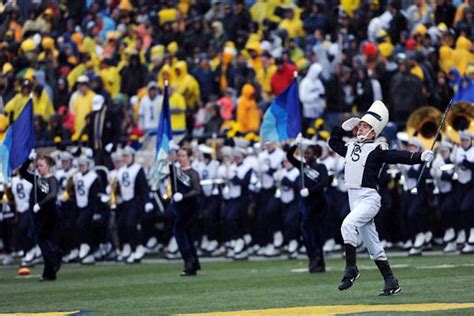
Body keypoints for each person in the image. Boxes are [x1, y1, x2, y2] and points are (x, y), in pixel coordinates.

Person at [328, 100, 434, 296]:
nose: (360, 128)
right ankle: (391, 281)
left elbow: (396, 155)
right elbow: (333, 142)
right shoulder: (350, 147)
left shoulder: (376, 149)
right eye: (359, 126)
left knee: (347, 225)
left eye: (365, 126)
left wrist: (419, 157)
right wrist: (342, 126)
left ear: (374, 131)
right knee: (373, 245)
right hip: (354, 199)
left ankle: (351, 268)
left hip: (368, 198)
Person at [287, 137, 329, 273]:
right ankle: (314, 258)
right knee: (306, 234)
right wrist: (295, 145)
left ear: (315, 155)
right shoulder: (302, 167)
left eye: (308, 153)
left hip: (318, 205)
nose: (305, 156)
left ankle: (318, 260)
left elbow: (324, 182)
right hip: (306, 205)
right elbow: (289, 156)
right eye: (305, 153)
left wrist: (309, 191)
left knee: (315, 233)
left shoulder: (321, 167)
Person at [20, 151, 61, 281]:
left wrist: (40, 204)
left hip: (50, 215)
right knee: (43, 245)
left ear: (48, 165)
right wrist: (28, 160)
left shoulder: (52, 179)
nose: (39, 168)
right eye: (37, 166)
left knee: (45, 243)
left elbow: (52, 194)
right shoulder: (37, 179)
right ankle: (50, 271)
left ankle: (53, 263)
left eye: (41, 165)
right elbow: (23, 172)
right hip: (39, 217)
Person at [170, 145, 202, 276]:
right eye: (179, 155)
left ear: (189, 157)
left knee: (179, 231)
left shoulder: (193, 173)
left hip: (190, 207)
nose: (181, 158)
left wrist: (183, 196)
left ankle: (188, 260)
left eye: (183, 156)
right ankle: (194, 264)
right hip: (179, 207)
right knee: (187, 236)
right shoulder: (176, 171)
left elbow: (197, 190)